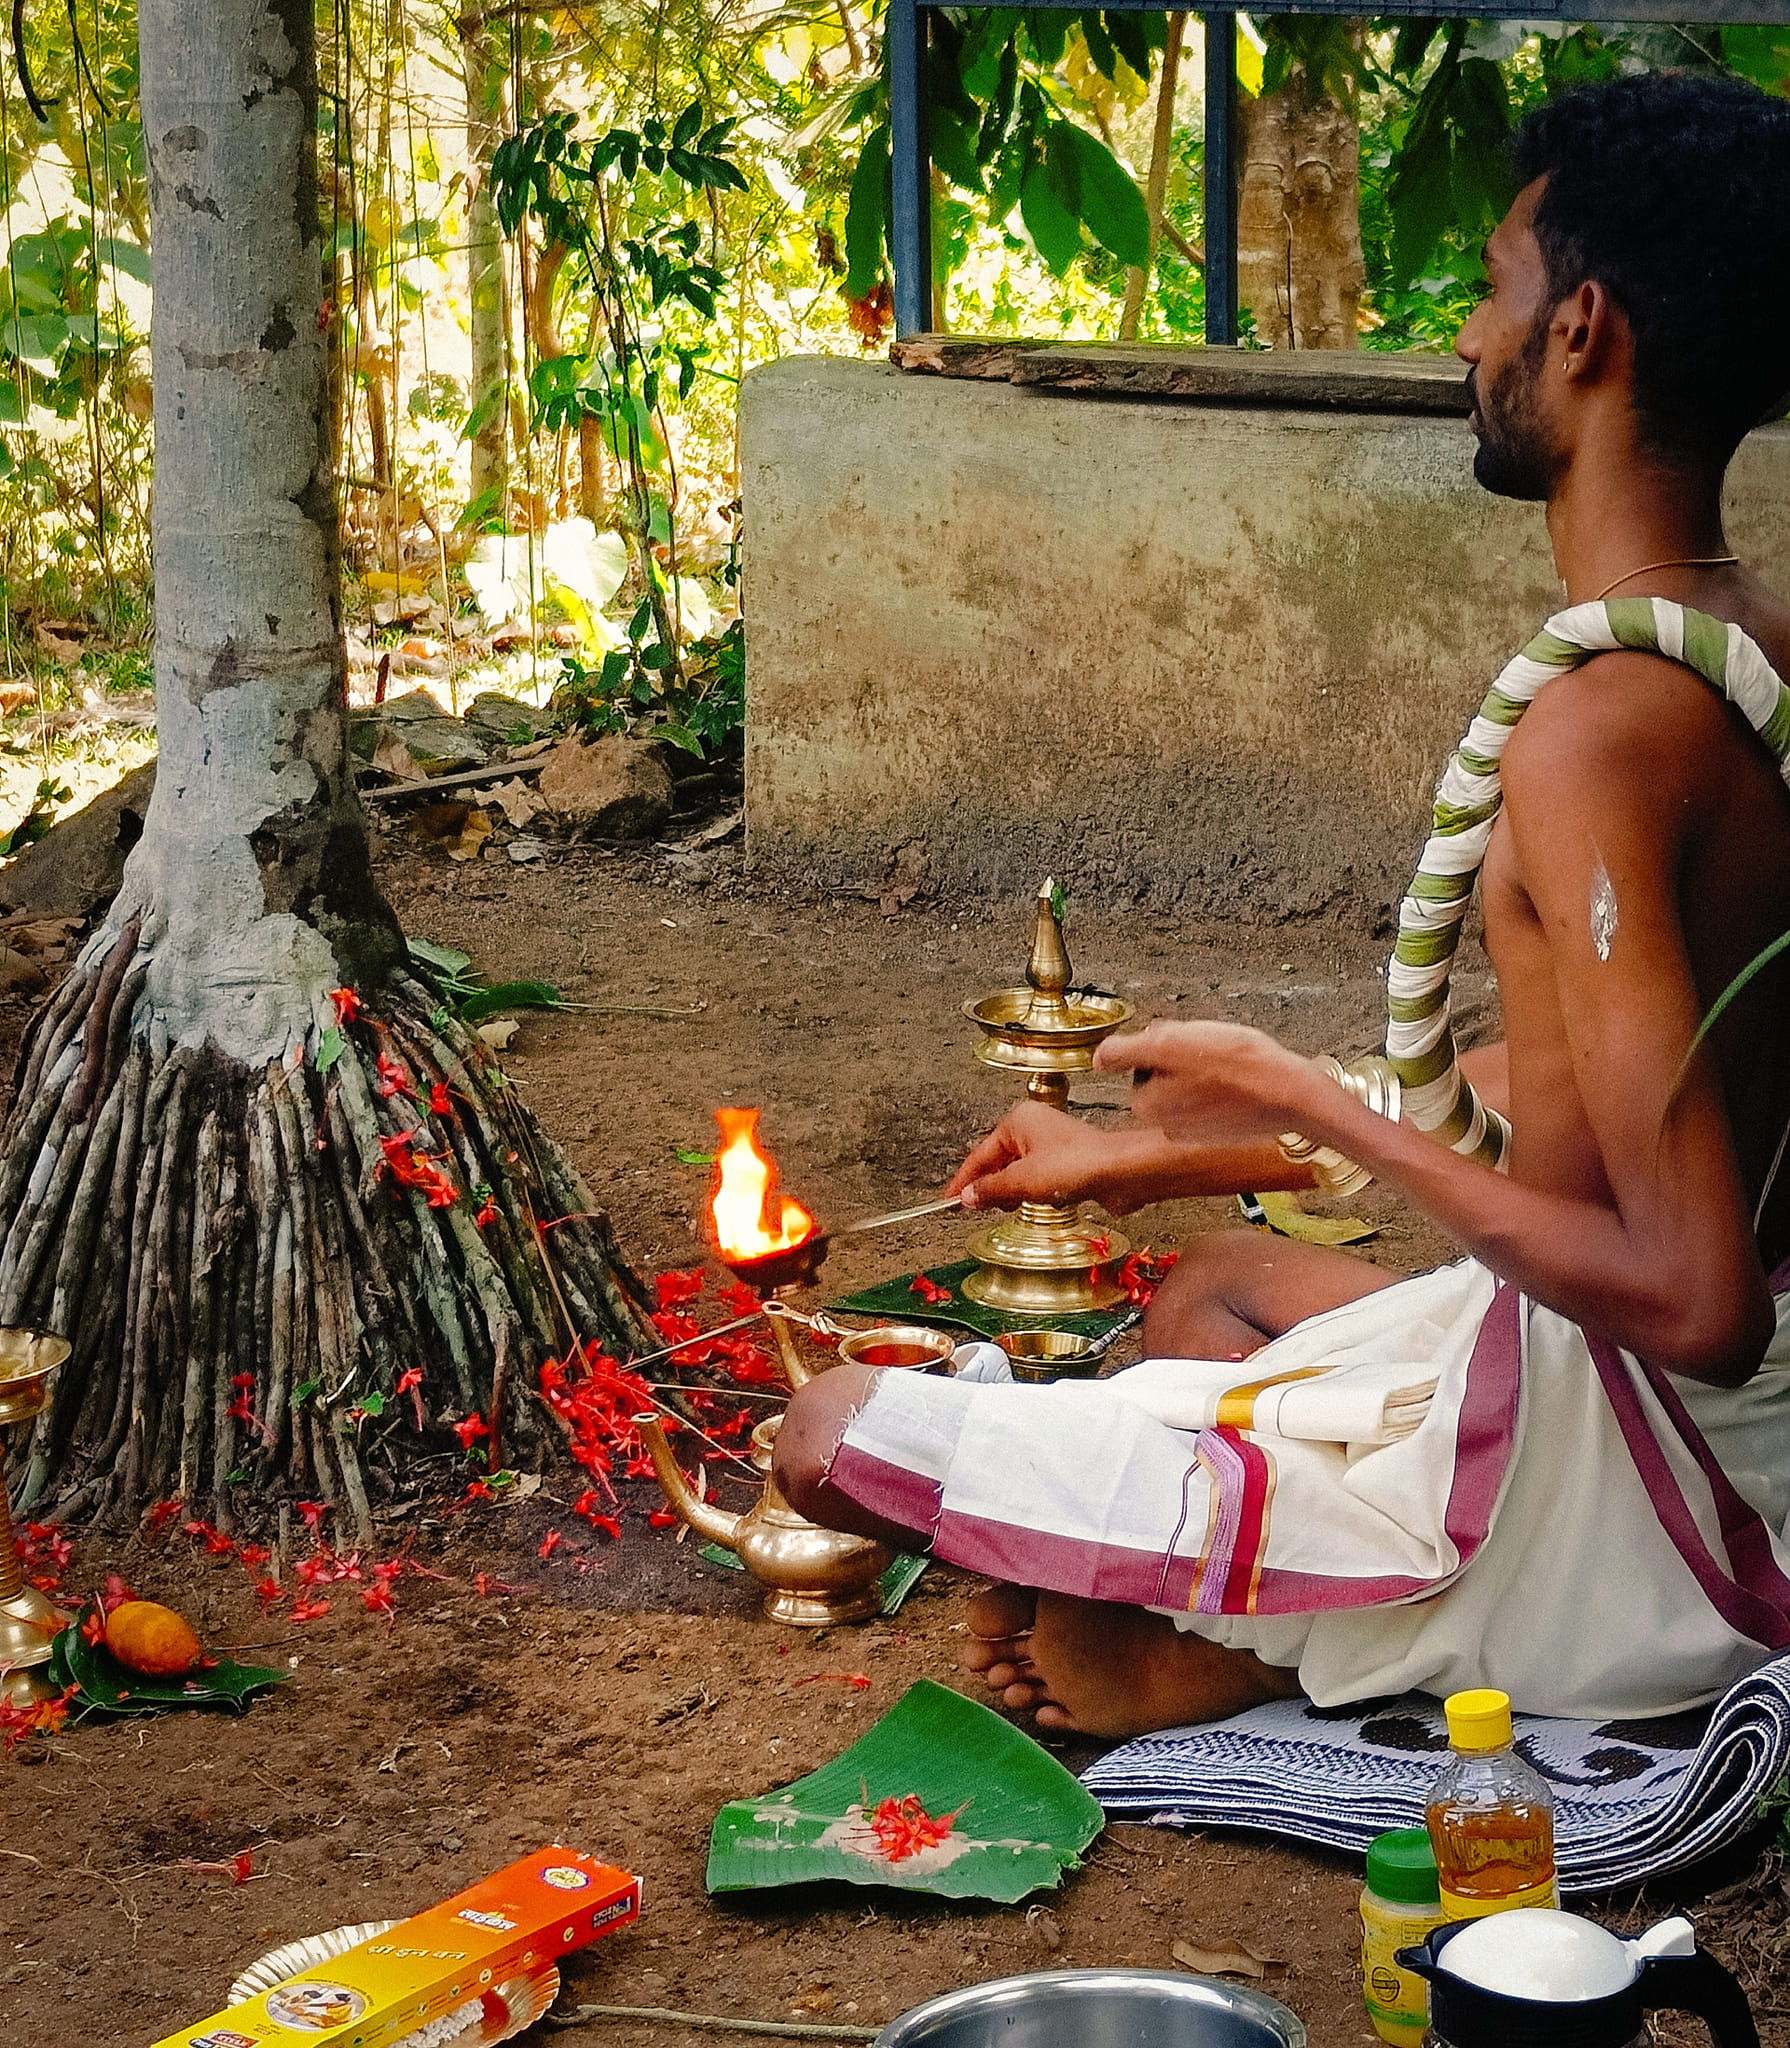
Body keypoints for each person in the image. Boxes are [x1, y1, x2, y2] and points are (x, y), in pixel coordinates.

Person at [776, 70, 1790, 1737]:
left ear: (1582, 331)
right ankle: (1239, 1616)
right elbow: (1603, 1105)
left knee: (829, 1432)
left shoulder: (1601, 727)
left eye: (1487, 292)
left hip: (1643, 1486)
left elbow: (1694, 1300)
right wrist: (1163, 1152)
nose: (1466, 340)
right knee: (1208, 1295)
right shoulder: (1749, 640)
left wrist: (1303, 1092)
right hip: (1682, 1416)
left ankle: (1237, 1654)